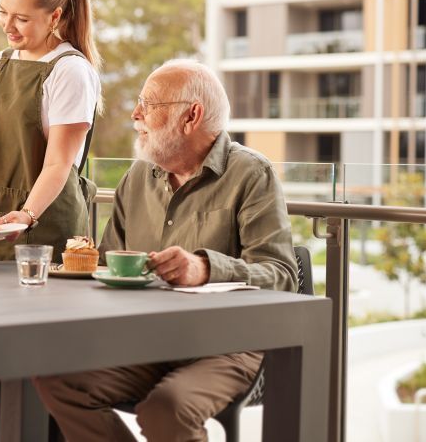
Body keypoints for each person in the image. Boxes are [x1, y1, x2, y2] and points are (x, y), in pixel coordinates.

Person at [34, 59, 297, 442]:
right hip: (147, 341)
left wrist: (206, 268)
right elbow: (109, 264)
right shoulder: (136, 177)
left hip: (227, 345)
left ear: (192, 115)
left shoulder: (252, 174)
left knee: (167, 409)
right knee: (59, 380)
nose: (135, 114)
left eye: (149, 104)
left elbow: (282, 275)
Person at [0, 0, 102, 262]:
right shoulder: (0, 62)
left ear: (54, 16)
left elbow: (59, 164)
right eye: (2, 12)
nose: (7, 26)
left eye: (22, 18)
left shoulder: (70, 71)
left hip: (44, 221)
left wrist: (26, 214)